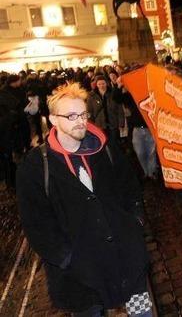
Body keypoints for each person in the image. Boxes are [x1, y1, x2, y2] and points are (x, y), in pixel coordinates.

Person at [16, 83, 151, 317]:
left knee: (142, 312)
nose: (80, 121)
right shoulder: (35, 166)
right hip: (80, 275)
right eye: (70, 115)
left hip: (125, 257)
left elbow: (130, 186)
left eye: (83, 114)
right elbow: (36, 222)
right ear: (53, 120)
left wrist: (135, 223)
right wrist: (66, 257)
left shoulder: (105, 147)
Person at [86, 75, 124, 141]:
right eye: (99, 84)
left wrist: (121, 123)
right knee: (103, 142)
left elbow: (119, 109)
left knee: (114, 142)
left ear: (106, 83)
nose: (101, 86)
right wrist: (91, 124)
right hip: (99, 124)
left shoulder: (113, 93)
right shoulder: (92, 96)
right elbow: (90, 111)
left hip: (113, 123)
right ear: (96, 85)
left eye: (103, 83)